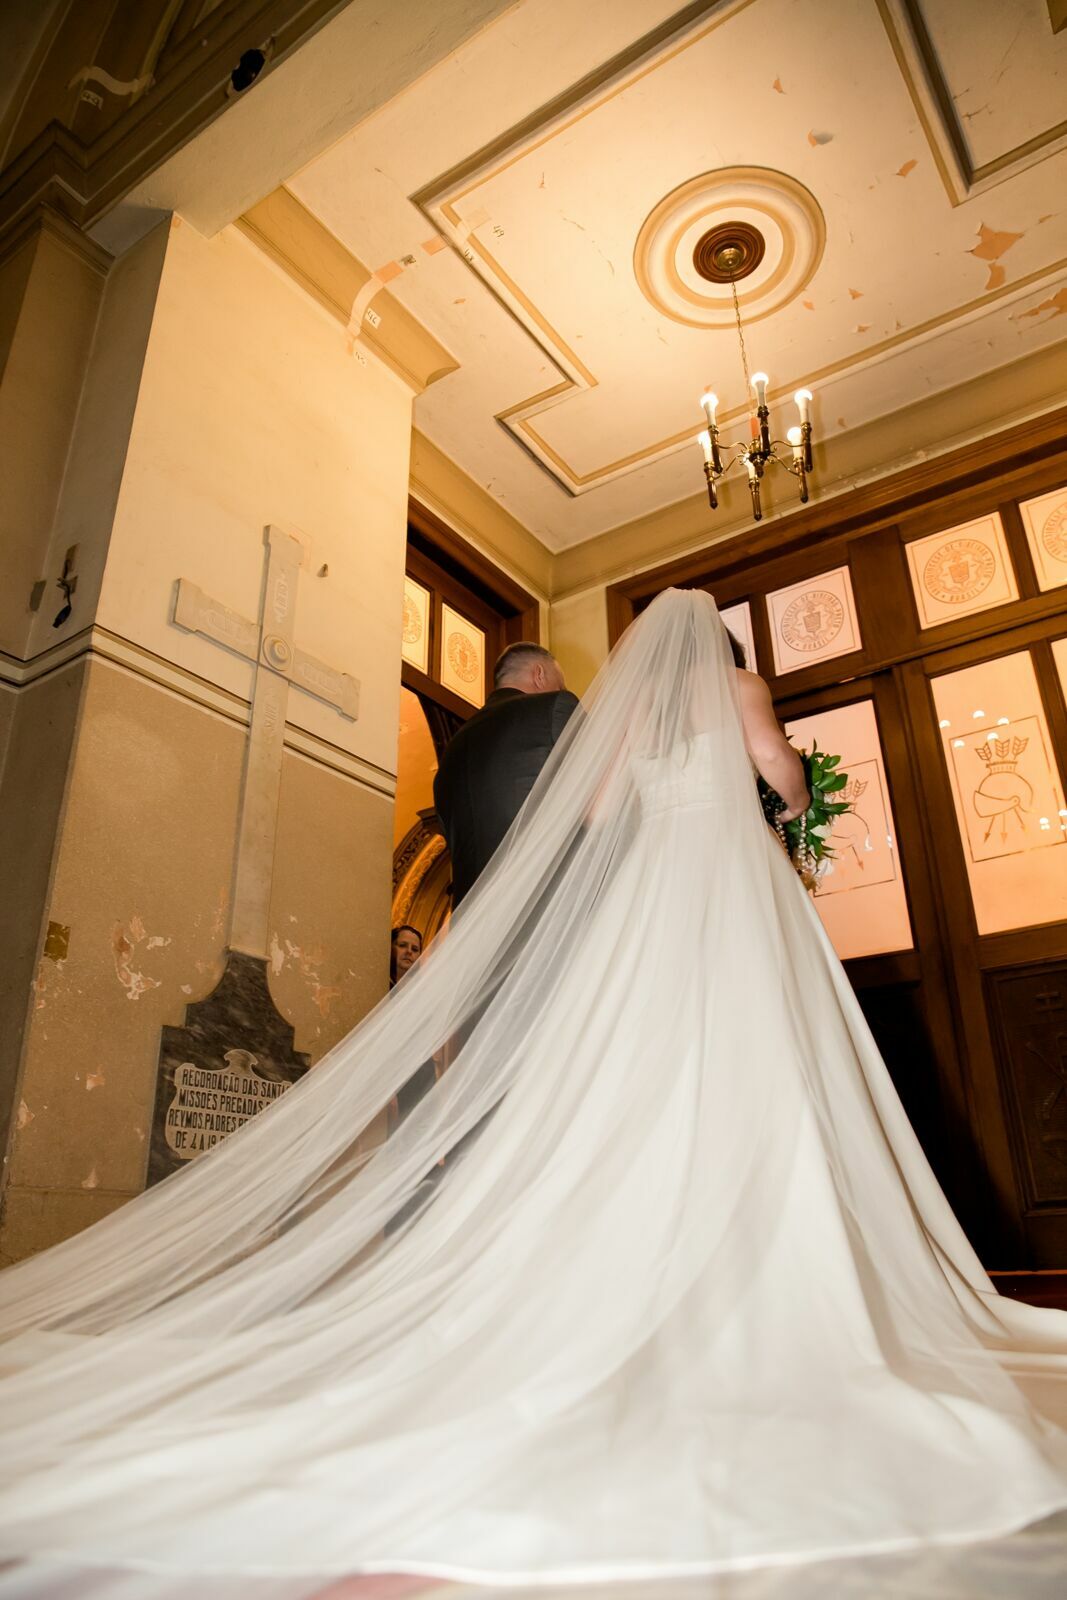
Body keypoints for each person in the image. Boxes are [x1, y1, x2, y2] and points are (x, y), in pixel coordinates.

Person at [0, 589, 1065, 1600]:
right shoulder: (732, 694)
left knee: (644, 1091)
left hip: (635, 926)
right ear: (722, 655)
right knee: (763, 1072)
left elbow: (595, 819)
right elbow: (779, 774)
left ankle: (639, 1264)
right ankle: (758, 1267)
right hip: (733, 909)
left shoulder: (603, 726)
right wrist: (789, 806)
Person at [433, 640, 579, 904]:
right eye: (560, 685)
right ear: (539, 674)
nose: (562, 691)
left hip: (471, 920)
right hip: (546, 903)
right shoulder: (555, 708)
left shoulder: (448, 758)